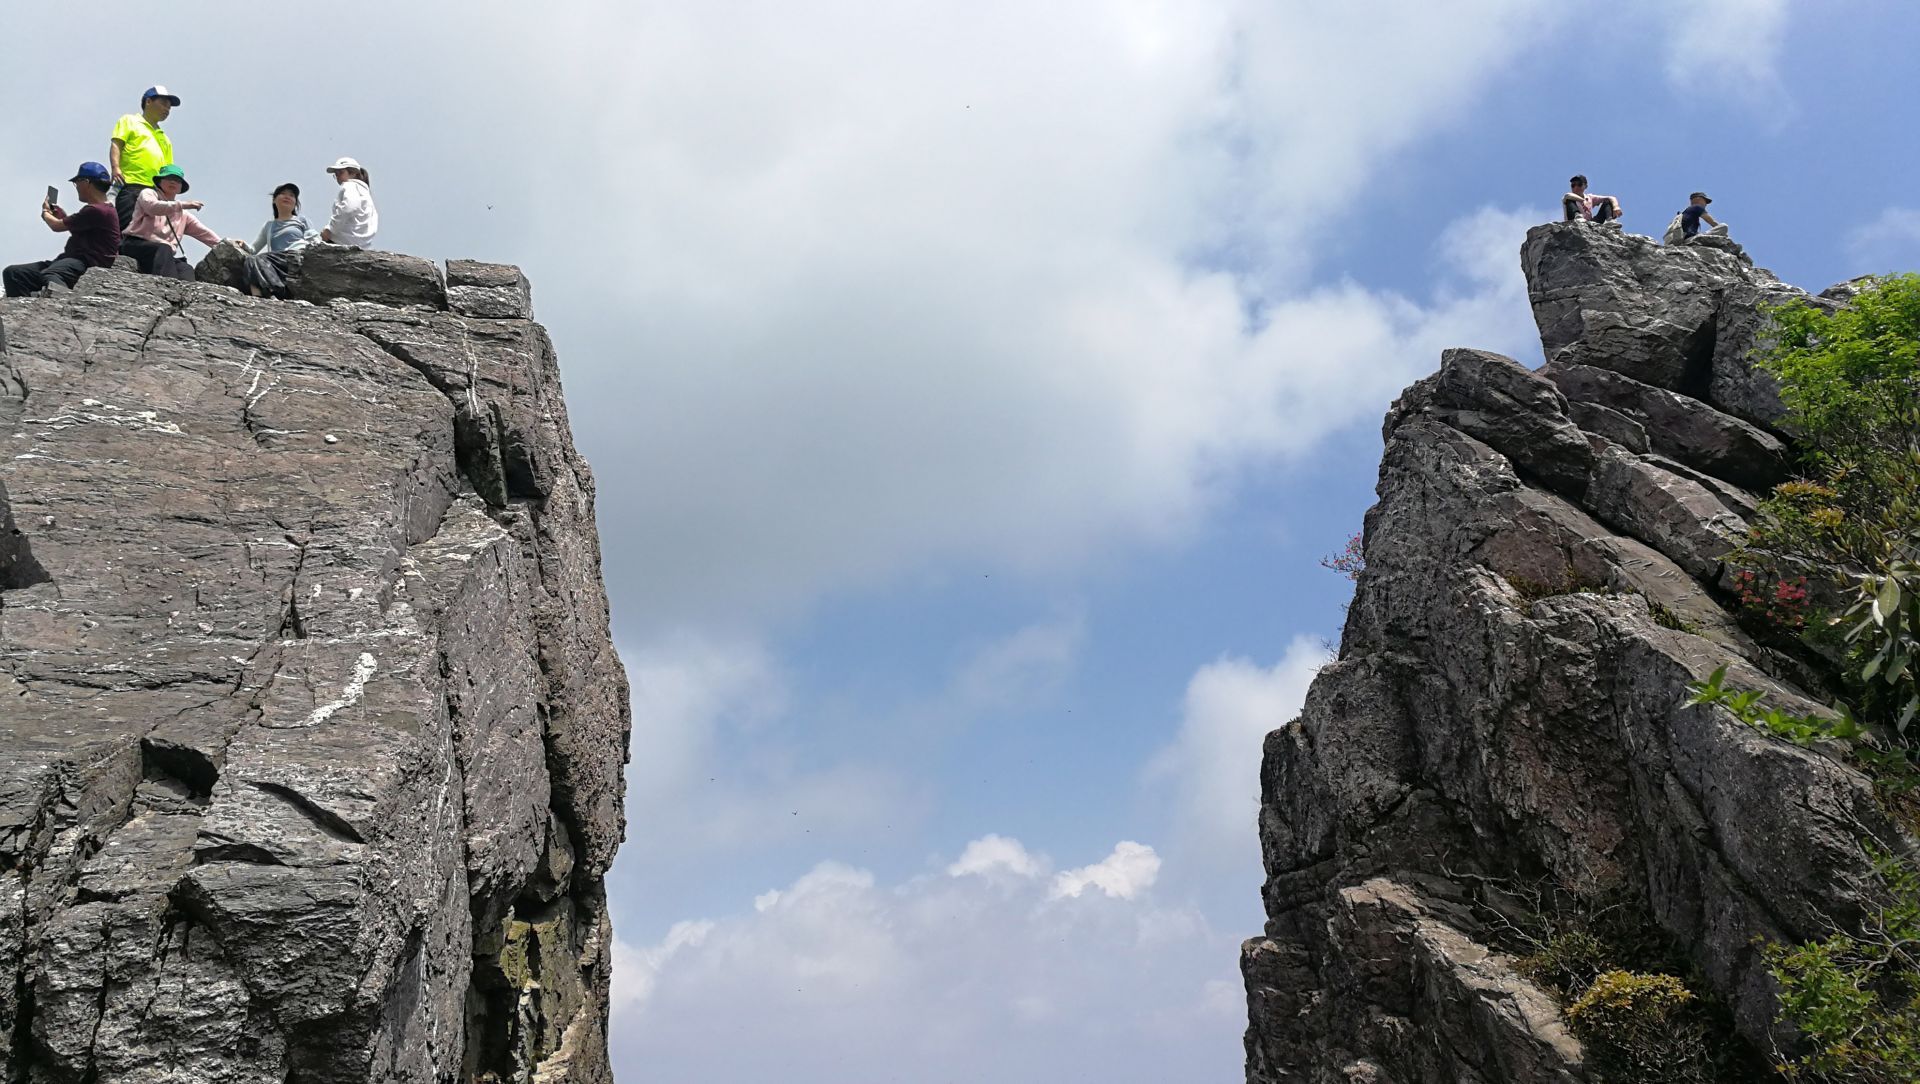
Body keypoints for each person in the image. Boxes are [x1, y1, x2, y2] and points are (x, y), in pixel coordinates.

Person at [4, 163, 122, 297]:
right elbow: (79, 229)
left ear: (86, 182)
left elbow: (56, 226)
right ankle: (24, 307)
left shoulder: (97, 210)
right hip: (72, 261)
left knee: (52, 273)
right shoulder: (101, 209)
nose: (76, 186)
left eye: (77, 182)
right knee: (13, 273)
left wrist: (45, 212)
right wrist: (61, 217)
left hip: (87, 263)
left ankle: (63, 303)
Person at [120, 164, 226, 280]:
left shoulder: (183, 215)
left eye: (177, 180)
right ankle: (163, 289)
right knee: (164, 248)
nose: (173, 182)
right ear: (159, 181)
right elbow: (153, 207)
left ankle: (186, 296)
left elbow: (204, 234)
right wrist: (183, 205)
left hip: (162, 254)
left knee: (186, 269)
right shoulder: (148, 194)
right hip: (135, 244)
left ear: (181, 187)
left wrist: (227, 244)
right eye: (168, 178)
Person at [108, 86, 181, 230]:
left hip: (154, 192)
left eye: (169, 107)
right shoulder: (130, 120)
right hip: (130, 183)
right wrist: (115, 167)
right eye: (164, 104)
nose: (167, 109)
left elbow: (167, 171)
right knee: (127, 225)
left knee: (149, 231)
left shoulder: (164, 138)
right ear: (148, 101)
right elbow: (117, 144)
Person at [242, 182, 318, 297]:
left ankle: (273, 291)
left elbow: (315, 240)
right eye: (283, 193)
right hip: (276, 262)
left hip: (297, 257)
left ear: (295, 203)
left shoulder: (301, 220)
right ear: (274, 200)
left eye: (292, 195)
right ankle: (258, 297)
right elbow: (254, 249)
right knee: (251, 261)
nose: (287, 196)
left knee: (259, 259)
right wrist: (242, 244)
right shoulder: (269, 226)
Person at [320, 157, 378, 248]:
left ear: (353, 173)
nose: (338, 177)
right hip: (361, 245)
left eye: (341, 172)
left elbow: (349, 207)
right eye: (336, 174)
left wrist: (330, 229)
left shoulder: (349, 186)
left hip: (341, 242)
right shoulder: (365, 194)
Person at [1663, 192, 1728, 244]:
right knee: (1724, 226)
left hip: (1676, 239)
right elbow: (1713, 223)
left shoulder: (1685, 212)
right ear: (1698, 199)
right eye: (1705, 201)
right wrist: (1725, 234)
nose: (1706, 204)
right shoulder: (1697, 207)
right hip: (1687, 239)